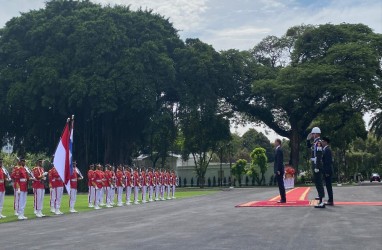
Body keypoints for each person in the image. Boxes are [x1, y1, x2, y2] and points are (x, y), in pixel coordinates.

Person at [307, 127, 325, 208]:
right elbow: (308, 146)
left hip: (317, 165)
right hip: (315, 164)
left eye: (313, 134)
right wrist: (308, 140)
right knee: (317, 182)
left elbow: (319, 155)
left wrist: (317, 166)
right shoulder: (315, 142)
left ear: (317, 134)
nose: (312, 135)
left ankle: (322, 201)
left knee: (319, 183)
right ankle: (320, 198)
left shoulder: (318, 143)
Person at [322, 137, 334, 206]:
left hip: (328, 171)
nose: (322, 143)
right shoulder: (325, 150)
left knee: (329, 186)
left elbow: (328, 162)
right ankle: (330, 200)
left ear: (326, 142)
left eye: (323, 141)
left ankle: (331, 200)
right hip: (326, 170)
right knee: (328, 186)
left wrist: (326, 172)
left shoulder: (327, 150)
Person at [274, 139, 286, 203]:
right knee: (280, 184)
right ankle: (282, 198)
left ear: (278, 142)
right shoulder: (277, 150)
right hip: (279, 169)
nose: (274, 143)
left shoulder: (279, 150)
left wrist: (278, 170)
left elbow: (279, 161)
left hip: (279, 170)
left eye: (275, 142)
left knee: (281, 184)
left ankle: (283, 199)